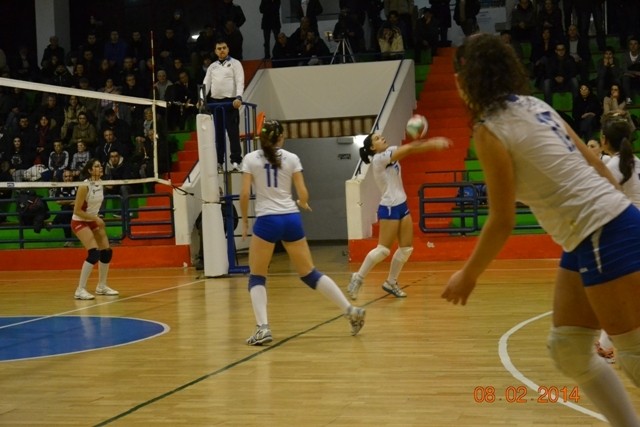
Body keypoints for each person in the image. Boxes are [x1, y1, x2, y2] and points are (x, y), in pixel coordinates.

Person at [441, 33, 640, 427]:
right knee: (569, 348)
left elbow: (502, 220)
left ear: (467, 79)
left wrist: (468, 274)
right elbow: (598, 168)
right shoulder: (536, 105)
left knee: (634, 355)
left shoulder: (489, 129)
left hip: (600, 234)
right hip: (598, 230)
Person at [239, 120, 366, 345]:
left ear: (261, 137)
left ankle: (263, 328)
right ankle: (350, 310)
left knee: (257, 275)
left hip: (267, 220)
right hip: (291, 218)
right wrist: (303, 202)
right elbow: (303, 193)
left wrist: (245, 223)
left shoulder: (250, 159)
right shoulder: (292, 158)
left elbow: (244, 194)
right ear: (281, 138)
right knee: (309, 273)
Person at [347, 129, 452, 300]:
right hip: (389, 206)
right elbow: (409, 148)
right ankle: (357, 278)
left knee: (406, 249)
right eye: (377, 138)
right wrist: (432, 143)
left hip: (402, 204)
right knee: (383, 251)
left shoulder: (390, 151)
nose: (382, 138)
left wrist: (425, 144)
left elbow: (410, 149)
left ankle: (391, 282)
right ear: (372, 148)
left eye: (381, 136)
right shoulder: (379, 159)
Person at [596, 111, 640, 364]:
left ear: (604, 140)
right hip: (633, 232)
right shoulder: (636, 162)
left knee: (616, 295)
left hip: (625, 235)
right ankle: (607, 346)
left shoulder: (612, 166)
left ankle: (607, 348)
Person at [71, 158, 119, 300]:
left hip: (92, 220)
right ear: (90, 170)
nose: (100, 168)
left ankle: (101, 286)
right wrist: (96, 219)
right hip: (79, 221)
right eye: (97, 166)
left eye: (100, 165)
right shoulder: (84, 186)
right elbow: (77, 211)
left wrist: (96, 218)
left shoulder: (100, 183)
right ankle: (80, 289)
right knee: (94, 254)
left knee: (107, 252)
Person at [201, 40, 244, 171]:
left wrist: (239, 97)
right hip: (216, 104)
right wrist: (201, 99)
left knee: (233, 133)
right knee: (218, 135)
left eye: (224, 48)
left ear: (228, 49)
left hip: (230, 103)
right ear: (215, 51)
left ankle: (236, 161)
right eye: (219, 48)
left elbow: (240, 80)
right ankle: (219, 161)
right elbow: (206, 83)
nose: (222, 50)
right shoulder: (212, 67)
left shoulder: (235, 63)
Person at [53, 168, 77, 247]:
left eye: (70, 176)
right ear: (63, 178)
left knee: (66, 210)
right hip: (67, 211)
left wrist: (65, 200)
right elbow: (58, 201)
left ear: (72, 177)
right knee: (66, 213)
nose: (68, 178)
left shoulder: (77, 186)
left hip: (77, 210)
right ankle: (70, 241)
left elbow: (78, 201)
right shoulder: (60, 187)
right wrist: (71, 201)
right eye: (66, 176)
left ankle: (54, 223)